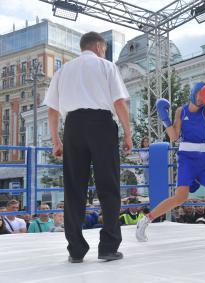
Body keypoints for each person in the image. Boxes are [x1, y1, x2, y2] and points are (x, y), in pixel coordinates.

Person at [44, 31, 132, 263]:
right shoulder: (106, 66)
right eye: (104, 48)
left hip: (73, 126)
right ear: (99, 47)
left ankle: (75, 249)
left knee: (74, 189)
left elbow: (52, 110)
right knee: (108, 186)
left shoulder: (63, 71)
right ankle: (108, 247)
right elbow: (119, 103)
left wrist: (56, 141)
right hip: (102, 124)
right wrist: (128, 134)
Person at [136, 82, 205, 242]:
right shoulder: (182, 110)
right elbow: (174, 136)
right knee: (180, 197)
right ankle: (145, 220)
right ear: (194, 92)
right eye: (201, 93)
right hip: (187, 158)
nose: (203, 97)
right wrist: (164, 118)